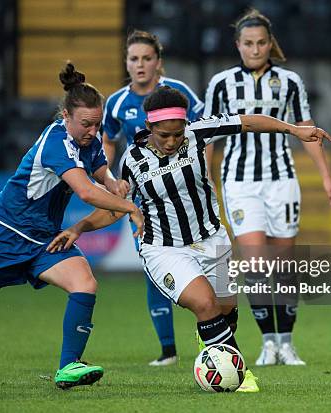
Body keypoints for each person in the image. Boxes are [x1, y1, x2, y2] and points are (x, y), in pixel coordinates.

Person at [49, 86, 331, 392]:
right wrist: (80, 227)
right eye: (164, 135)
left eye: (177, 133)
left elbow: (250, 121)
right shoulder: (132, 160)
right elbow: (116, 209)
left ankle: (209, 339)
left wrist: (294, 130)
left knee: (227, 313)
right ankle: (239, 376)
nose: (172, 141)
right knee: (206, 304)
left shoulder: (199, 133)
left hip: (214, 240)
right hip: (164, 249)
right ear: (149, 127)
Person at [0, 63, 144, 391]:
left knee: (85, 284)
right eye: (86, 124)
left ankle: (68, 367)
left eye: (97, 123)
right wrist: (129, 206)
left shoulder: (88, 137)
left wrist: (113, 183)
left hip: (43, 239)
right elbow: (85, 191)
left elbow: (99, 172)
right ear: (65, 116)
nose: (93, 131)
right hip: (3, 235)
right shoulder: (56, 141)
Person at [204, 9, 331, 367]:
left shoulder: (290, 81)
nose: (255, 49)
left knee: (284, 264)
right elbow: (207, 137)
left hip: (282, 180)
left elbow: (307, 129)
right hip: (239, 181)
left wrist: (325, 176)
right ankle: (267, 343)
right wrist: (205, 177)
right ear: (238, 45)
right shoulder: (221, 83)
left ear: (270, 43)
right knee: (255, 260)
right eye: (248, 43)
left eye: (261, 42)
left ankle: (286, 342)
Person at [102, 30, 204, 366]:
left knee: (206, 264)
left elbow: (205, 133)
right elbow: (108, 141)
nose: (140, 64)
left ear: (158, 62)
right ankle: (168, 350)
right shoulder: (117, 102)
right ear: (127, 63)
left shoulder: (177, 93)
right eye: (134, 59)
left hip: (189, 197)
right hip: (147, 201)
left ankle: (212, 334)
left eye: (147, 58)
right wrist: (112, 180)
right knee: (154, 268)